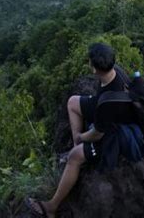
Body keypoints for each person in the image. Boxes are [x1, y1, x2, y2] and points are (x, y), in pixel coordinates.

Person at [26, 42, 135, 218]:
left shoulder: (108, 104)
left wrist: (80, 136)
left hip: (113, 135)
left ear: (94, 69)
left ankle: (51, 208)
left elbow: (97, 134)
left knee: (74, 157)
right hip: (109, 112)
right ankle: (77, 144)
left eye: (90, 61)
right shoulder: (116, 72)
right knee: (73, 102)